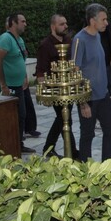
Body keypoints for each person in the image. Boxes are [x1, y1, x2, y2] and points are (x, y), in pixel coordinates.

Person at [73, 4, 111, 162]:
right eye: (103, 19)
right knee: (87, 134)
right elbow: (75, 71)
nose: (107, 23)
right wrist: (83, 103)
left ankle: (108, 170)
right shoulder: (79, 39)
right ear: (93, 20)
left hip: (103, 95)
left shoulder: (98, 36)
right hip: (88, 98)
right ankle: (86, 172)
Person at [0, 13, 35, 154]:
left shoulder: (19, 39)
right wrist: (3, 85)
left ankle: (17, 144)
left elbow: (21, 59)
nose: (25, 24)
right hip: (5, 86)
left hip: (17, 84)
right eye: (23, 21)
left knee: (20, 115)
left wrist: (24, 77)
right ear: (13, 23)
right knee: (6, 117)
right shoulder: (5, 39)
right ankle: (4, 145)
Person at [36, 14, 78, 159]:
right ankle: (72, 151)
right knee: (64, 119)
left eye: (66, 23)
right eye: (62, 24)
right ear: (53, 27)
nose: (65, 26)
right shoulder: (46, 45)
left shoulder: (69, 41)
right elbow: (40, 70)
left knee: (62, 119)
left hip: (68, 85)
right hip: (54, 87)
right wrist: (45, 92)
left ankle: (48, 148)